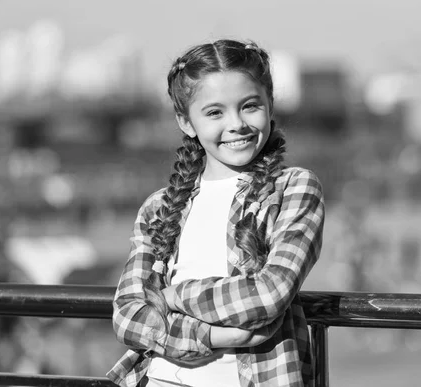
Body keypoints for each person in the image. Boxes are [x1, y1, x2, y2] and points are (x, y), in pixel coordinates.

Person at [107, 39, 325, 387]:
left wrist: (172, 297)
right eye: (214, 112)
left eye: (249, 106)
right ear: (186, 122)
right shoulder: (159, 207)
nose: (236, 123)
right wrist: (213, 336)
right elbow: (128, 315)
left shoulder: (294, 188)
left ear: (270, 106)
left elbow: (268, 294)